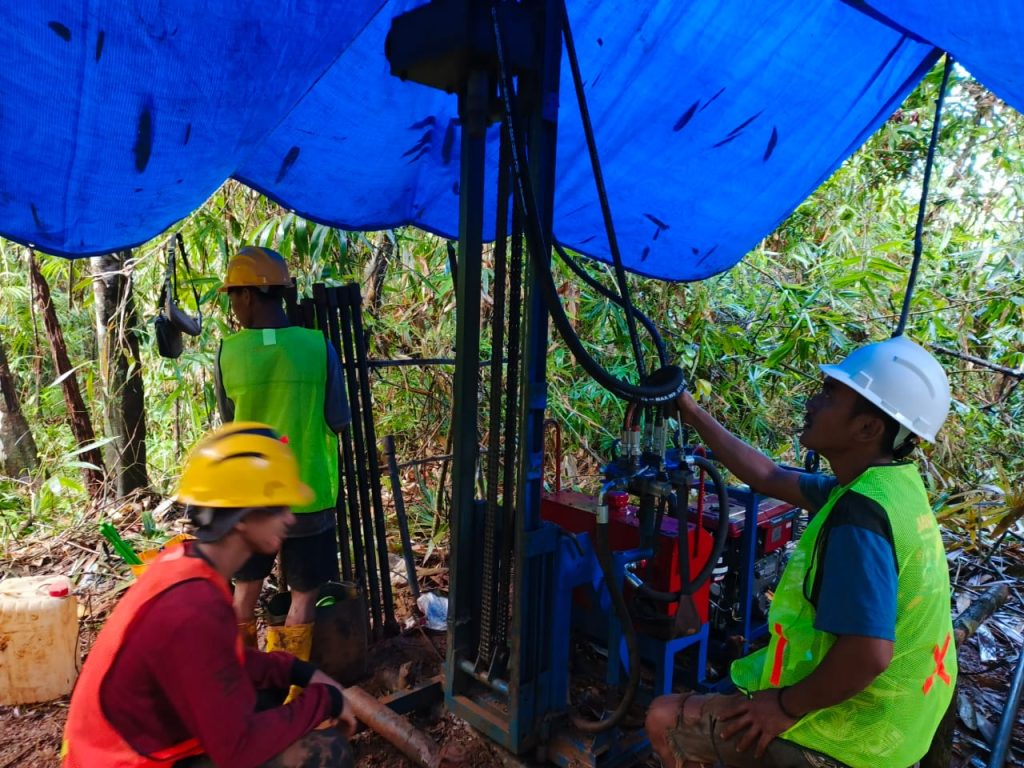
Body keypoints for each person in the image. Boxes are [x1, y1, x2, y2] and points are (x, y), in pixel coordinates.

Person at [645, 335, 957, 768]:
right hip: (902, 723)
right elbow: (769, 476)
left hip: (853, 736)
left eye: (830, 394)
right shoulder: (888, 487)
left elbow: (869, 654)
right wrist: (691, 411)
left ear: (867, 428)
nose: (812, 402)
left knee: (664, 717)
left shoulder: (859, 518)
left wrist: (783, 707)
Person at [61, 422, 357, 768]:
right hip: (124, 761)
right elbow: (238, 750)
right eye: (278, 506)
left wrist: (300, 672)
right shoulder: (193, 609)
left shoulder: (188, 566)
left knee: (268, 691)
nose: (289, 518)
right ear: (244, 515)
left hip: (126, 745)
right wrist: (325, 701)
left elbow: (227, 663)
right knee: (326, 754)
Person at [214, 246, 349, 667]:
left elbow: (230, 423)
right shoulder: (319, 347)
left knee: (245, 592)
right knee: (303, 599)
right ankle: (290, 690)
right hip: (308, 496)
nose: (233, 306)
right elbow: (338, 420)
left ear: (248, 295)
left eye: (232, 296)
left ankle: (243, 682)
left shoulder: (227, 353)